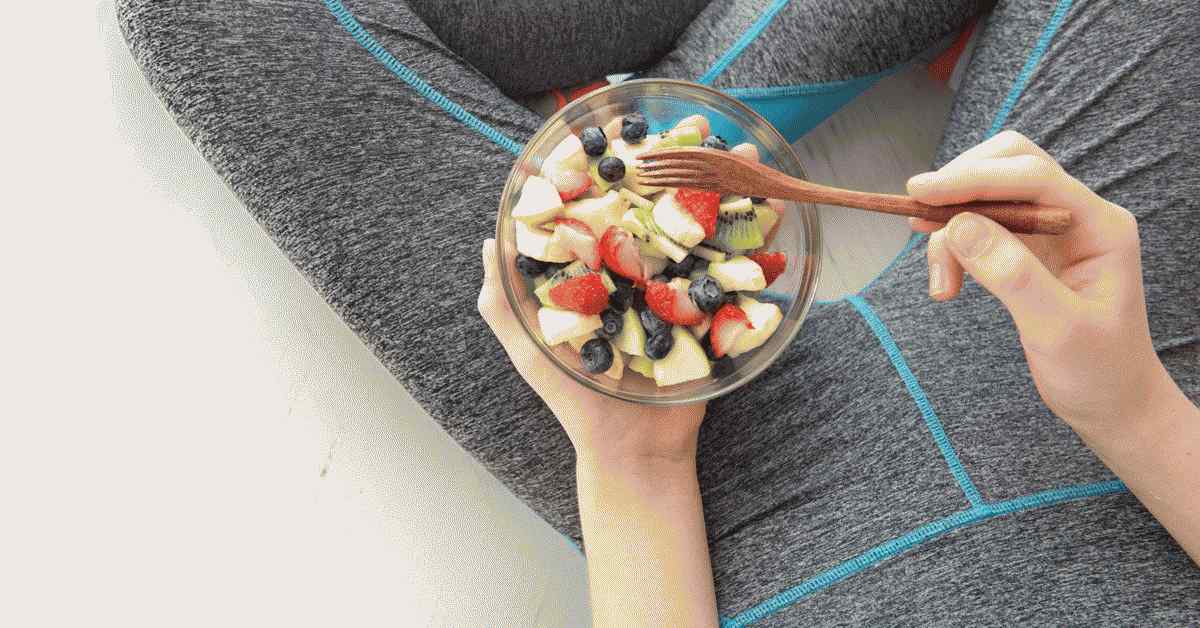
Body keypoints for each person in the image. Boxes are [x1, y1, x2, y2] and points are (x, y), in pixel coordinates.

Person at [118, 0, 1199, 623]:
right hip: (1124, 405)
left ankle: (659, 130)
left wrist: (632, 469)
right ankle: (676, 137)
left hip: (720, 481)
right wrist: (1139, 408)